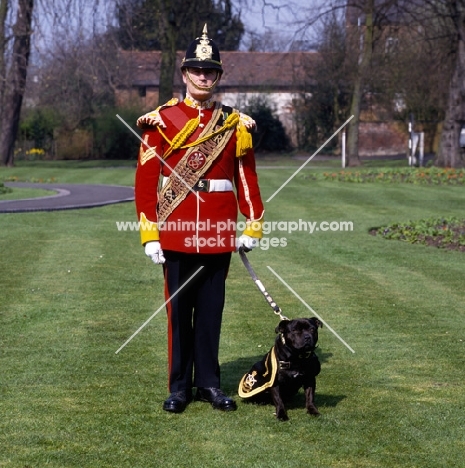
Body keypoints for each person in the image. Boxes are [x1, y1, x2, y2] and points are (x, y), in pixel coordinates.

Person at [134, 24, 264, 414]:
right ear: (185, 74)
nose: (203, 76)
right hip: (173, 231)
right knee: (178, 315)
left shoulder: (234, 124)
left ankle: (209, 383)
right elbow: (145, 181)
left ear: (219, 75)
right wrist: (150, 234)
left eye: (211, 71)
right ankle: (179, 388)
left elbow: (246, 178)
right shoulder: (161, 120)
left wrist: (252, 222)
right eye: (196, 70)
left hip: (217, 232)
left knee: (211, 312)